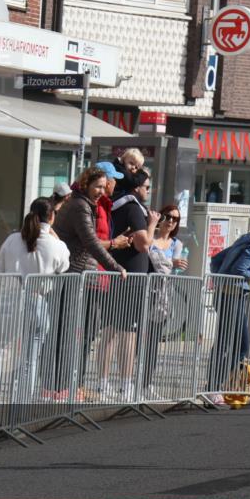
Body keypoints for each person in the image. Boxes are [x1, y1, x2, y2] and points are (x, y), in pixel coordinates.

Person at [53, 167, 126, 402]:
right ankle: (61, 387)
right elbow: (91, 243)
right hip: (71, 274)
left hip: (79, 273)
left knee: (80, 330)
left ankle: (72, 385)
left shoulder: (86, 204)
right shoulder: (79, 206)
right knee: (66, 333)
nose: (101, 191)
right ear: (85, 184)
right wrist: (116, 266)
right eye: (97, 186)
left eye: (104, 187)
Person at [0, 198, 71, 400]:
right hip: (37, 301)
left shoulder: (11, 240)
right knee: (30, 356)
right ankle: (21, 402)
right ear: (52, 216)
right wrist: (53, 233)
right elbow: (64, 267)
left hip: (8, 299)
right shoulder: (56, 245)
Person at [206, 211, 250, 405]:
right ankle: (214, 387)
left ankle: (220, 386)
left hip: (229, 294)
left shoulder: (245, 240)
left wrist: (220, 278)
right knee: (230, 343)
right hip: (232, 296)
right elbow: (240, 270)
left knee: (237, 344)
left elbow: (216, 259)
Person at [101, 170, 159, 401]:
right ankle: (125, 385)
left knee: (111, 331)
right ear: (136, 188)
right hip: (131, 277)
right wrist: (152, 223)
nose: (148, 190)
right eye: (147, 186)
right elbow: (144, 243)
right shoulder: (133, 207)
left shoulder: (116, 204)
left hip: (117, 273)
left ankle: (104, 383)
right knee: (127, 334)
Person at [142, 204, 187, 396]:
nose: (170, 221)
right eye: (168, 216)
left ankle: (146, 383)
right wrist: (170, 262)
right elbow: (147, 252)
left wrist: (175, 264)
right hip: (144, 291)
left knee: (153, 342)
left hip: (162, 297)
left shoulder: (176, 244)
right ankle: (129, 382)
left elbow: (173, 269)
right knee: (135, 340)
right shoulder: (150, 236)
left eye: (175, 219)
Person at [94, 161, 131, 256]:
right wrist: (115, 243)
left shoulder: (103, 204)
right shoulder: (95, 204)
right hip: (92, 264)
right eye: (115, 179)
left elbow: (101, 237)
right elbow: (89, 241)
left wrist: (117, 241)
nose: (116, 183)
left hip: (97, 262)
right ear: (108, 183)